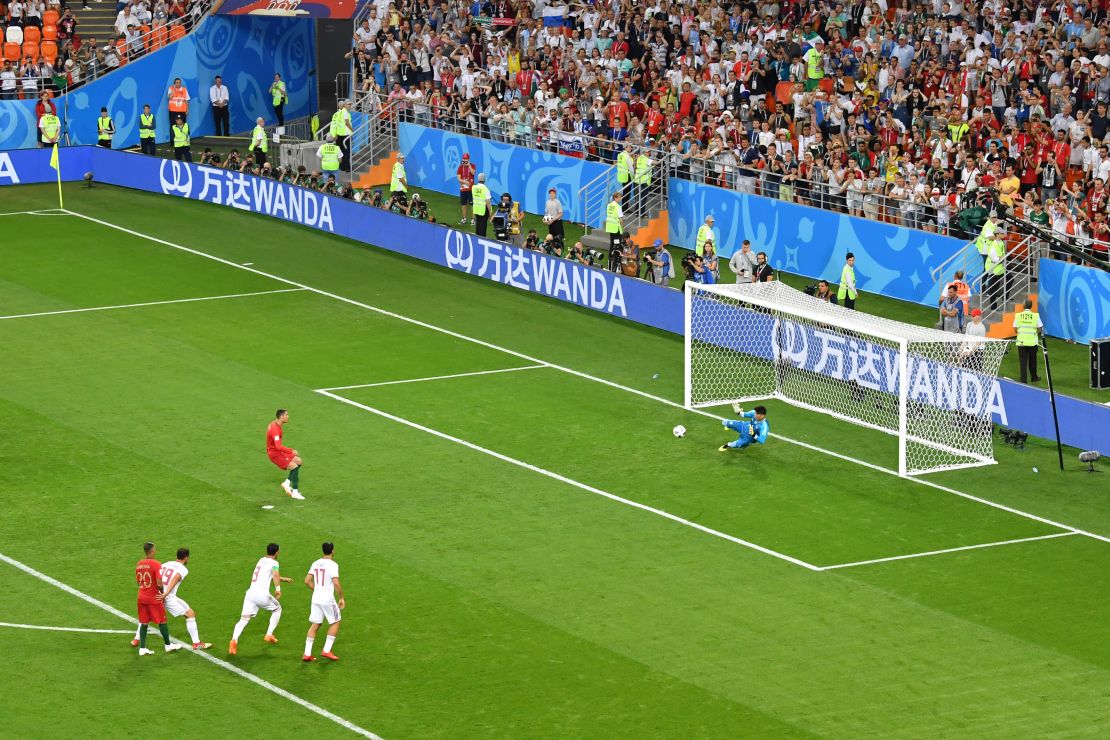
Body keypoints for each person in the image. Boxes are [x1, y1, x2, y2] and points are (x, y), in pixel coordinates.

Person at [131, 547, 211, 651]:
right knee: (190, 614)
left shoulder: (166, 564)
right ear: (186, 558)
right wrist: (166, 593)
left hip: (154, 594)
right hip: (166, 596)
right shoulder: (183, 569)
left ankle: (136, 640)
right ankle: (196, 643)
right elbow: (176, 578)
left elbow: (156, 576)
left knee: (146, 617)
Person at [228, 543, 293, 656]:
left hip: (250, 594)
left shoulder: (261, 560)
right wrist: (278, 589)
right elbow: (275, 574)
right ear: (277, 552)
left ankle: (234, 640)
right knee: (277, 609)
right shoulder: (274, 563)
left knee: (244, 620)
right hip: (261, 595)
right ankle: (269, 634)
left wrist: (283, 579)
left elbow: (270, 575)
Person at [134, 542, 183, 656]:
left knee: (144, 622)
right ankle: (168, 645)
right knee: (162, 621)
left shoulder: (139, 564)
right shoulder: (156, 564)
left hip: (141, 597)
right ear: (152, 551)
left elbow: (138, 582)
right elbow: (159, 583)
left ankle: (142, 648)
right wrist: (162, 593)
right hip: (153, 598)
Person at [302, 541, 344, 662]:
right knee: (336, 621)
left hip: (316, 598)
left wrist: (317, 589)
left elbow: (306, 581)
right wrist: (341, 597)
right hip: (327, 598)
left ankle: (307, 654)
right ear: (332, 551)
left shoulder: (315, 563)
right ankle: (326, 650)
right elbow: (336, 582)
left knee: (316, 623)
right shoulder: (333, 565)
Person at [267, 408, 304, 500]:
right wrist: (291, 451)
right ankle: (295, 492)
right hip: (275, 454)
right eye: (286, 415)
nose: (288, 417)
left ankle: (286, 483)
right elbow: (278, 446)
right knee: (294, 467)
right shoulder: (275, 430)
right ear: (281, 417)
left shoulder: (274, 423)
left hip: (278, 451)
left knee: (299, 461)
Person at [1013, 299, 1043, 383]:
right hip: (1032, 342)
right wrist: (1034, 333)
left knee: (1023, 361)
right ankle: (1034, 377)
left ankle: (1023, 380)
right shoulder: (1035, 316)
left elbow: (1015, 329)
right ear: (1031, 306)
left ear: (1023, 306)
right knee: (1033, 360)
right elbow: (1040, 328)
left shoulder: (1018, 315)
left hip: (1021, 342)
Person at [983, 236, 1006, 311]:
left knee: (1008, 279)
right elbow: (995, 259)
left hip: (999, 268)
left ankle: (1004, 297)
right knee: (993, 287)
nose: (1004, 234)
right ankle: (993, 306)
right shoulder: (993, 245)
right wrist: (1001, 258)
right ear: (998, 234)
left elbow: (1001, 254)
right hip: (993, 268)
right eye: (1002, 233)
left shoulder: (1001, 243)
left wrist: (1002, 258)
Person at [329, 100, 353, 172]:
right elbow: (346, 123)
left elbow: (334, 125)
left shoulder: (336, 114)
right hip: (345, 135)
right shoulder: (344, 112)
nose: (349, 106)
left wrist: (334, 134)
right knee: (346, 152)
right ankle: (347, 167)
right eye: (348, 104)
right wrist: (352, 130)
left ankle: (341, 167)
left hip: (338, 135)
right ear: (344, 106)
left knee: (340, 152)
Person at [456, 152, 475, 225]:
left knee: (472, 204)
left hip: (470, 189)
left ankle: (473, 219)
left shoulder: (472, 165)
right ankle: (464, 218)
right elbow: (459, 178)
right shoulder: (460, 167)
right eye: (463, 159)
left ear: (468, 159)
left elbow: (473, 173)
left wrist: (469, 165)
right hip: (463, 189)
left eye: (466, 159)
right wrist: (465, 182)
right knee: (463, 204)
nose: (464, 160)